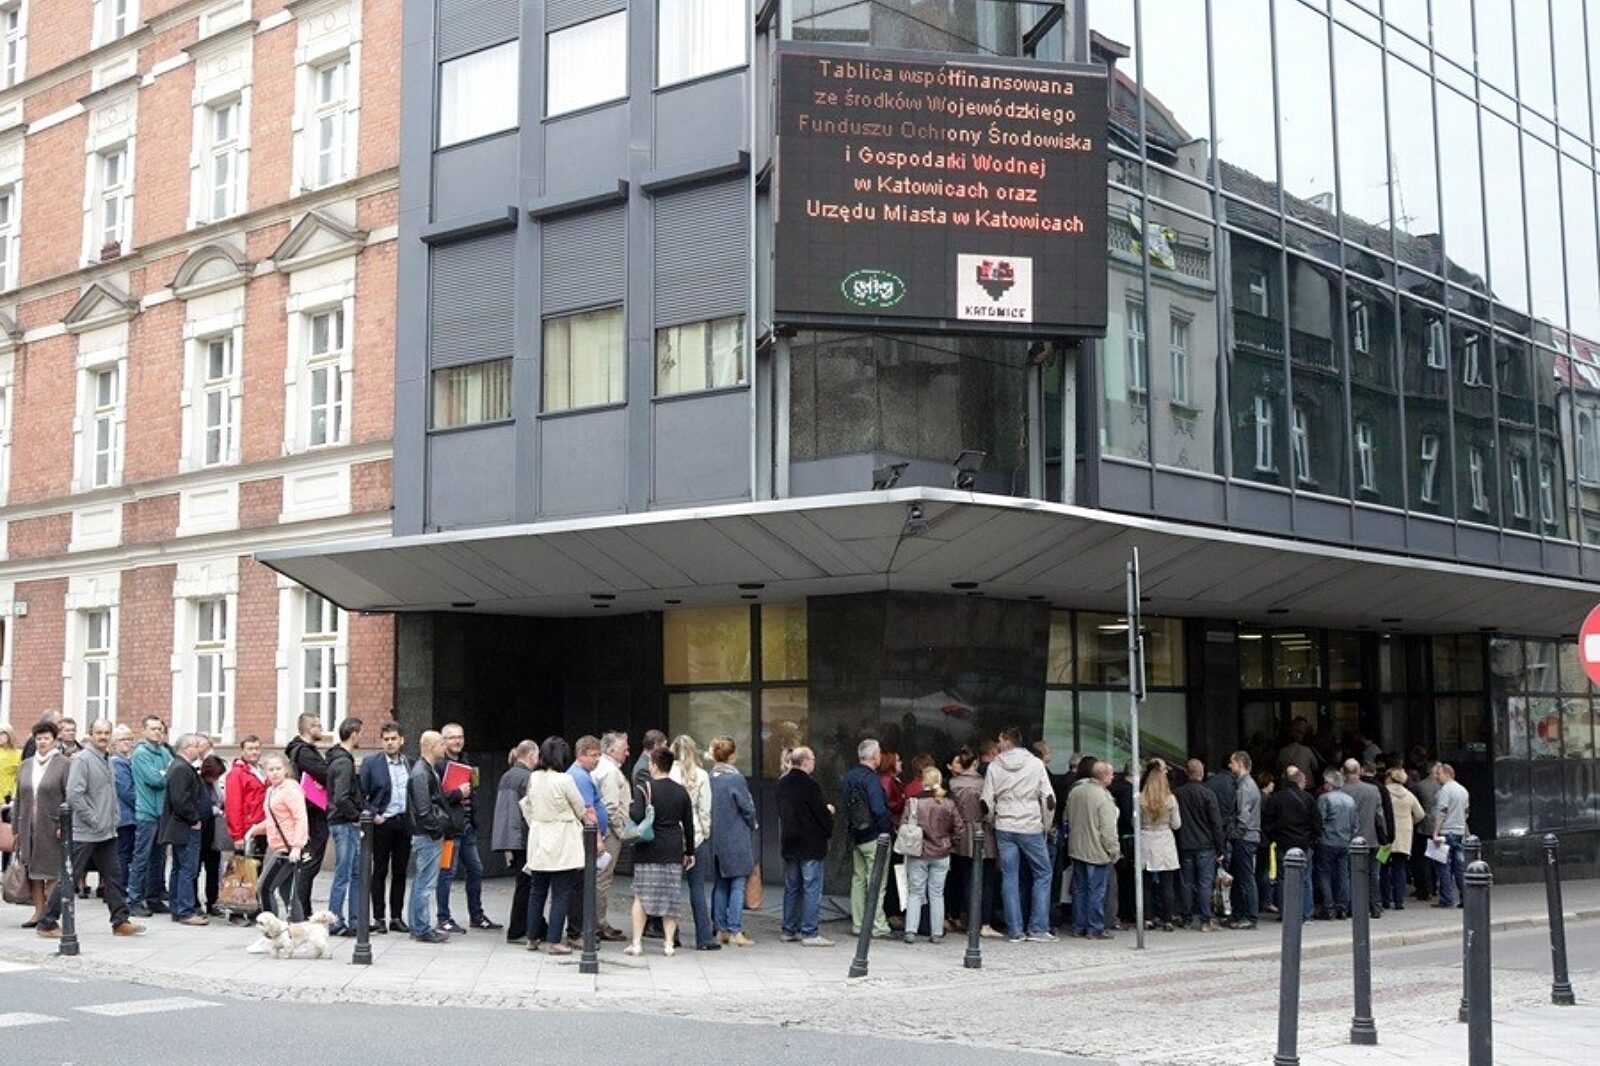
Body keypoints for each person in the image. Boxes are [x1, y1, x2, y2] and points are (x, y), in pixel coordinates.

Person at [36, 720, 143, 939]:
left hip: (107, 831)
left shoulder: (107, 759)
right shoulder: (83, 760)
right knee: (70, 876)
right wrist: (94, 819)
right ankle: (47, 922)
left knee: (114, 876)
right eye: (99, 732)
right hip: (86, 831)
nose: (103, 736)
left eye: (106, 732)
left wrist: (113, 817)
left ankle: (120, 921)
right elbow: (74, 794)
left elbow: (110, 793)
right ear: (90, 734)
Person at [981, 726, 1056, 943]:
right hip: (1031, 825)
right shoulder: (1036, 764)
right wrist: (1045, 826)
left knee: (1009, 876)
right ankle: (1038, 928)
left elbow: (986, 801)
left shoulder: (995, 766)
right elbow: (1049, 799)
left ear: (1007, 741)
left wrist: (994, 821)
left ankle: (1015, 930)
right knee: (1043, 873)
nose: (998, 745)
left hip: (1005, 826)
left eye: (999, 741)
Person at [519, 736, 589, 956]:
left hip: (539, 836)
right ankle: (554, 940)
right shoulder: (565, 780)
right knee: (561, 892)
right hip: (562, 838)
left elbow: (528, 804)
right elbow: (580, 808)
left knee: (537, 890)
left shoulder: (534, 777)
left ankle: (532, 937)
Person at [624, 746, 695, 957]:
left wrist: (631, 808)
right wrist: (689, 852)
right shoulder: (681, 791)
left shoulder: (644, 788)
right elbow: (688, 825)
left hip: (648, 848)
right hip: (672, 848)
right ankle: (669, 944)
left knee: (641, 896)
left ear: (654, 765)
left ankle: (637, 943)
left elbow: (637, 815)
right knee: (671, 897)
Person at [435, 722, 497, 933]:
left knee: (476, 869)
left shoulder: (466, 761)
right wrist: (457, 794)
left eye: (460, 737)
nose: (457, 741)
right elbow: (436, 798)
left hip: (467, 826)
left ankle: (476, 916)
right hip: (450, 830)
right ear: (443, 741)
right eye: (452, 737)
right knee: (447, 873)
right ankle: (443, 918)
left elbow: (474, 789)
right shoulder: (438, 765)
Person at [14, 721, 70, 927]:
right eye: (39, 738)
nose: (42, 742)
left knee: (53, 871)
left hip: (52, 826)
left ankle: (51, 913)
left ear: (54, 740)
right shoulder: (26, 765)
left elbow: (69, 796)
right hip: (28, 826)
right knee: (33, 871)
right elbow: (19, 798)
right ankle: (38, 912)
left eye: (46, 738)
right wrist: (16, 828)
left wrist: (64, 825)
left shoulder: (64, 764)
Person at [776, 746, 833, 946]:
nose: (814, 762)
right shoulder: (811, 785)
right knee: (811, 888)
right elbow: (820, 814)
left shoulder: (782, 784)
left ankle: (788, 929)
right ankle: (810, 932)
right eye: (813, 759)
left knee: (792, 887)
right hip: (810, 842)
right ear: (805, 761)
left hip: (790, 841)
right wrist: (829, 813)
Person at [358, 721, 412, 933]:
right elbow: (361, 794)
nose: (390, 743)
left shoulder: (410, 763)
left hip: (403, 823)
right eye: (386, 739)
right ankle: (379, 917)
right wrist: (374, 814)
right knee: (379, 870)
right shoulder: (371, 763)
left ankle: (396, 917)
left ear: (401, 740)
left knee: (400, 871)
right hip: (382, 823)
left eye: (393, 739)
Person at [903, 765, 964, 944]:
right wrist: (950, 843)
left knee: (915, 893)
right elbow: (959, 828)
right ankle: (936, 932)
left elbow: (903, 826)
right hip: (941, 853)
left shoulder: (913, 802)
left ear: (923, 782)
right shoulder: (948, 803)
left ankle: (910, 931)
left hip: (918, 852)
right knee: (937, 894)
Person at [246, 753, 309, 922]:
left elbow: (300, 818)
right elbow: (275, 820)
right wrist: (255, 829)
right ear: (265, 772)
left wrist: (297, 847)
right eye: (271, 769)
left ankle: (271, 929)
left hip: (288, 849)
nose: (274, 773)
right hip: (281, 846)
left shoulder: (290, 790)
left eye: (278, 769)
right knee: (287, 892)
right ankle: (298, 928)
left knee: (264, 887)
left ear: (286, 770)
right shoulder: (271, 791)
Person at [708, 736, 759, 947]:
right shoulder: (736, 779)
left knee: (721, 883)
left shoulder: (710, 778)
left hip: (716, 837)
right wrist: (752, 824)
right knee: (738, 883)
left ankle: (720, 929)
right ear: (732, 755)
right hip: (736, 837)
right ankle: (735, 930)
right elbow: (747, 808)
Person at [840, 738, 892, 938]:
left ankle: (858, 924)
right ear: (874, 756)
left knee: (858, 880)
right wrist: (887, 830)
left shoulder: (849, 777)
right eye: (879, 753)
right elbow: (879, 809)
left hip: (856, 836)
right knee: (876, 881)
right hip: (874, 836)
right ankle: (878, 925)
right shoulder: (871, 779)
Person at [405, 731, 452, 943]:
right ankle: (421, 927)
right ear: (431, 746)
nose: (445, 746)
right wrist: (437, 830)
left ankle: (418, 925)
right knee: (425, 883)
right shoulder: (421, 773)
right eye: (442, 743)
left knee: (422, 881)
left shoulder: (426, 770)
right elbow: (424, 810)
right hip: (427, 835)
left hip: (427, 833)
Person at [158, 734, 210, 926]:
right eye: (196, 745)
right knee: (187, 869)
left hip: (181, 826)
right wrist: (194, 818)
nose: (199, 749)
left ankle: (178, 908)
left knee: (179, 868)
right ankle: (185, 911)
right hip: (185, 826)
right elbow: (180, 799)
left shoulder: (181, 766)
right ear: (187, 748)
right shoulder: (181, 768)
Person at [561, 735, 608, 943]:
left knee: (580, 886)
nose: (597, 760)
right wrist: (596, 839)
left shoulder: (582, 774)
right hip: (584, 839)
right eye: (593, 755)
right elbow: (588, 811)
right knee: (579, 887)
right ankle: (577, 931)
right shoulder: (580, 777)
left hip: (584, 838)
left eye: (599, 755)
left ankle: (579, 930)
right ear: (580, 755)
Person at [1066, 761, 1120, 940]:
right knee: (1097, 891)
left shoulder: (1076, 791)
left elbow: (1067, 817)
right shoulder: (1104, 797)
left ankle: (1078, 926)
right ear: (1103, 776)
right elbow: (1108, 830)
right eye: (1111, 774)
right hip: (1097, 851)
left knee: (1080, 890)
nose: (1113, 777)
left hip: (1076, 847)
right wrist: (1114, 851)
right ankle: (1095, 928)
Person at [284, 713, 330, 920]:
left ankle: (301, 909)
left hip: (311, 812)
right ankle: (300, 911)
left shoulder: (302, 750)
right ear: (309, 728)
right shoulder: (304, 752)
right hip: (313, 813)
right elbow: (326, 773)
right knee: (309, 865)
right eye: (318, 726)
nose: (321, 729)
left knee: (308, 865)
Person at [493, 740, 538, 944]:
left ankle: (526, 925)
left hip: (511, 836)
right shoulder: (527, 777)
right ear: (531, 755)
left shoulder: (507, 775)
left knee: (523, 883)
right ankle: (519, 927)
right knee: (527, 884)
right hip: (523, 836)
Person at [128, 716, 172, 917]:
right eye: (153, 729)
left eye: (160, 729)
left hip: (162, 813)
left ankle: (154, 898)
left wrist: (164, 773)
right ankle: (134, 900)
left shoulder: (164, 752)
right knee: (141, 858)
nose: (157, 732)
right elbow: (155, 780)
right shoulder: (140, 754)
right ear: (144, 731)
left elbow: (171, 775)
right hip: (146, 813)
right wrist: (164, 774)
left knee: (159, 859)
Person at [1261, 766, 1318, 923]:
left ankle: (1286, 912)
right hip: (1304, 844)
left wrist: (1275, 837)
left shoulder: (1277, 798)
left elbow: (1267, 822)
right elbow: (1317, 823)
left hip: (1283, 843)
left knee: (1283, 879)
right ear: (1300, 782)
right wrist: (1312, 840)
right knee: (1305, 879)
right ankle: (1306, 913)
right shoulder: (1308, 798)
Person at [324, 716, 365, 936]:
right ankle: (335, 920)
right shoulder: (344, 762)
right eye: (361, 733)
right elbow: (341, 797)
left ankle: (355, 921)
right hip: (344, 823)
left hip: (343, 822)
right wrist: (356, 815)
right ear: (354, 734)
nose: (362, 737)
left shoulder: (338, 759)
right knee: (344, 874)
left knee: (354, 873)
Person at [1174, 758, 1225, 931]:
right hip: (1205, 845)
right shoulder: (1208, 794)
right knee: (1204, 883)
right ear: (1202, 774)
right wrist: (1220, 848)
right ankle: (1205, 919)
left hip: (1185, 843)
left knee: (1186, 883)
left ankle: (1186, 917)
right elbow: (1216, 823)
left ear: (1186, 773)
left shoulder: (1178, 794)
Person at [591, 732, 631, 941]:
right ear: (612, 750)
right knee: (603, 878)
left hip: (602, 831)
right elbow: (611, 806)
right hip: (609, 834)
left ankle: (597, 922)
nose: (627, 753)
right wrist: (620, 831)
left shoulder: (601, 768)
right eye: (624, 749)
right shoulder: (610, 772)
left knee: (598, 877)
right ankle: (599, 923)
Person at [1341, 758, 1389, 919]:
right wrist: (1384, 836)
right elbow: (1379, 816)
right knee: (1373, 875)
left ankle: (1352, 907)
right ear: (1359, 770)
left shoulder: (1341, 791)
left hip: (1348, 839)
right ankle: (1375, 906)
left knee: (1349, 874)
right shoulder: (1373, 790)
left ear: (1343, 772)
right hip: (1371, 838)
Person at [1138, 758, 1182, 932]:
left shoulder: (1140, 799)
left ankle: (1147, 918)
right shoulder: (1170, 799)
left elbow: (1135, 823)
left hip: (1146, 839)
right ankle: (1168, 919)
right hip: (1165, 840)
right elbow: (1176, 824)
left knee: (1146, 883)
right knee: (1167, 883)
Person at [1315, 768, 1357, 920]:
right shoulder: (1350, 800)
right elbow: (1355, 824)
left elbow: (1319, 821)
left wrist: (1317, 837)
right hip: (1345, 842)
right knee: (1343, 875)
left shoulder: (1324, 799)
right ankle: (1342, 907)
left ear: (1329, 784)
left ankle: (1328, 908)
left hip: (1327, 841)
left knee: (1324, 874)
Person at [1227, 751, 1261, 930]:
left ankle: (1249, 915)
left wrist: (1235, 833)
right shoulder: (1249, 784)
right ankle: (1242, 914)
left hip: (1245, 837)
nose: (1229, 766)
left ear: (1240, 763)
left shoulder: (1244, 787)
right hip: (1250, 835)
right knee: (1243, 876)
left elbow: (1243, 814)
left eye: (1232, 762)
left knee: (1245, 877)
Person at [1383, 767, 1426, 911]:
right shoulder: (1409, 795)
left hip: (1386, 837)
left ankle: (1385, 899)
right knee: (1400, 867)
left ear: (1390, 777)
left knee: (1383, 866)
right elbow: (1420, 814)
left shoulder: (1384, 792)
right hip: (1404, 837)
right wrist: (1410, 823)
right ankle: (1399, 901)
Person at [1430, 763, 1470, 908]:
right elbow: (1466, 813)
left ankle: (1447, 899)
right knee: (1460, 867)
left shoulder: (1445, 790)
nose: (1436, 777)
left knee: (1443, 866)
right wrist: (1466, 831)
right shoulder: (1463, 790)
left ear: (1447, 774)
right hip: (1459, 832)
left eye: (1438, 774)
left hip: (1446, 832)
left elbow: (1442, 811)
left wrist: (1435, 832)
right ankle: (1465, 897)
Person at [224, 736, 267, 865]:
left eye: (257, 748)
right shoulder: (236, 774)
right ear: (242, 751)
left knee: (257, 868)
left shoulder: (260, 770)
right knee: (245, 871)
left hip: (261, 826)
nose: (254, 752)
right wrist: (237, 836)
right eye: (250, 749)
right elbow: (233, 806)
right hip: (248, 829)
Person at [110, 725, 137, 897]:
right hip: (124, 816)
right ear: (114, 743)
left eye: (129, 739)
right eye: (122, 739)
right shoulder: (117, 762)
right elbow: (126, 791)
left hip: (129, 815)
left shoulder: (127, 760)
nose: (127, 742)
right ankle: (121, 888)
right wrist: (141, 805)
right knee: (123, 854)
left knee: (126, 853)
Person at [198, 755, 227, 918]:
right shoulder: (199, 783)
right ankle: (195, 903)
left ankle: (212, 902)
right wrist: (212, 810)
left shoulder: (214, 785)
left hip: (214, 832)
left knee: (213, 869)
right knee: (196, 869)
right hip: (201, 831)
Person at [1409, 760, 1441, 902]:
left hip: (1423, 826)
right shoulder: (1443, 787)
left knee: (1422, 859)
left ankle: (1424, 889)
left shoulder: (1419, 786)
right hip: (1439, 826)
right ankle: (1434, 887)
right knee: (1437, 858)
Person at [1276, 718, 1321, 783]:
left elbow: (1278, 767)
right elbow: (1315, 766)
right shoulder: (1307, 750)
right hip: (1306, 784)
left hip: (1289, 784)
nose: (1304, 731)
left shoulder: (1282, 751)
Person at [0, 726, 19, 873]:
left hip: (8, 799)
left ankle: (6, 870)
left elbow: (19, 777)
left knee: (7, 834)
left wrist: (13, 795)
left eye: (3, 734)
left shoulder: (17, 754)